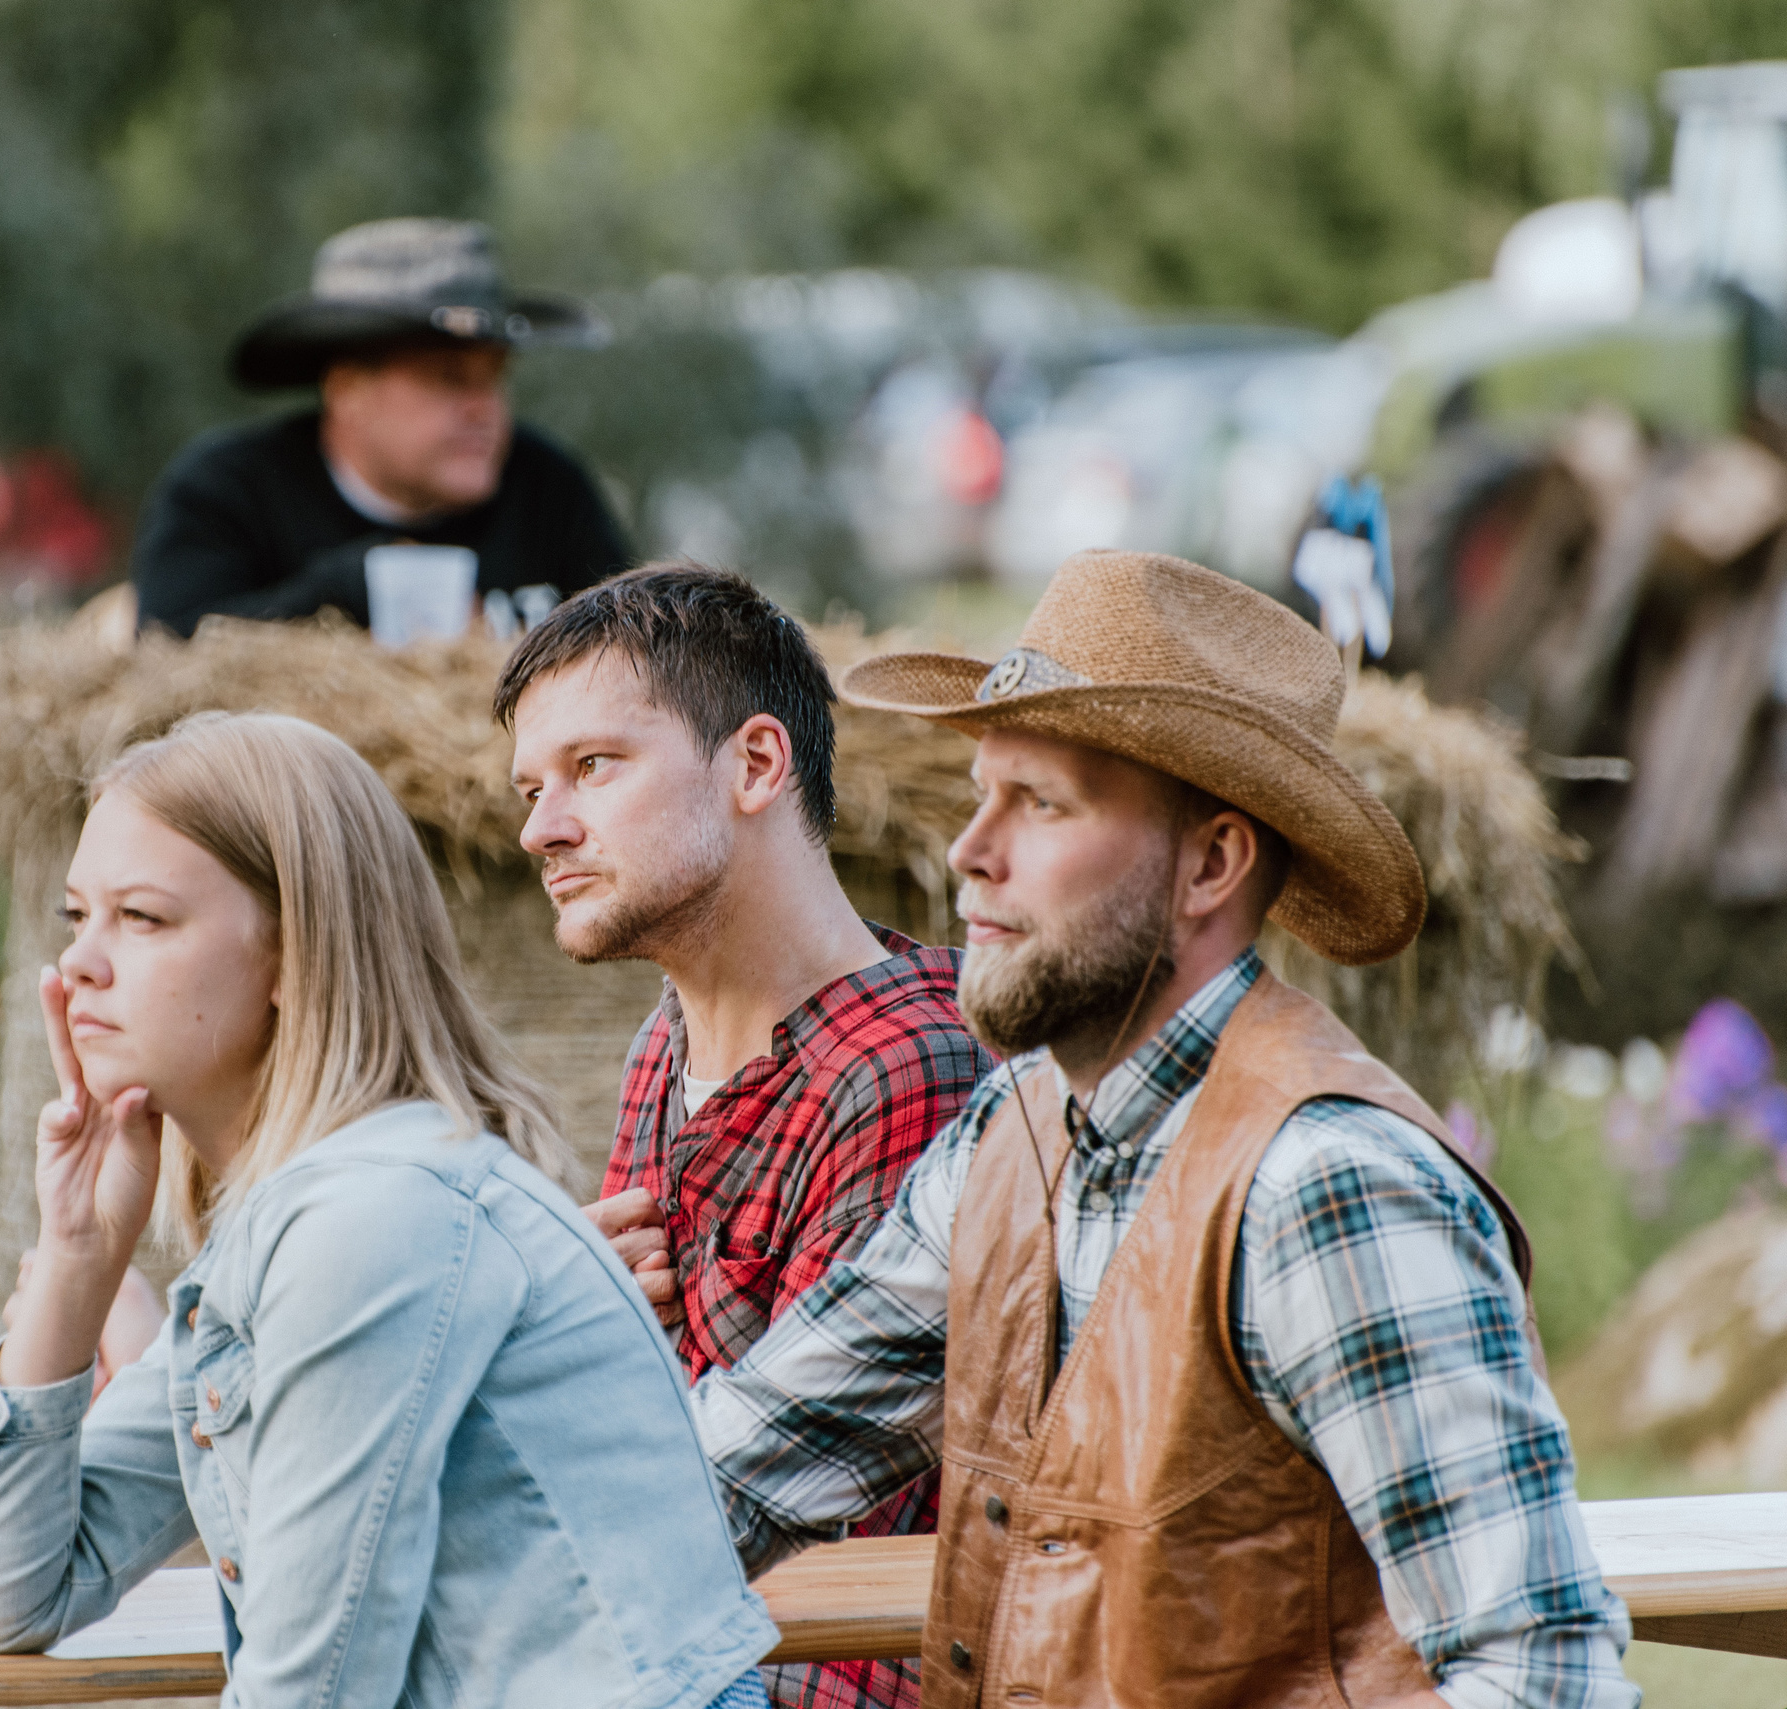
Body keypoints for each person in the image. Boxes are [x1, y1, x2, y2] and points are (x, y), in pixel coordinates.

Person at [691, 550, 1639, 1706]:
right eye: (981, 791)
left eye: (1039, 801)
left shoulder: (1323, 1183)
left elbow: (1543, 1673)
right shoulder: (1015, 1131)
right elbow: (729, 1470)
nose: (968, 849)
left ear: (1210, 860)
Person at [0, 712, 777, 1709]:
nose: (77, 963)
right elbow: (1, 1596)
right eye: (77, 915)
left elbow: (311, 1689)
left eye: (144, 917)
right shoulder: (285, 1222)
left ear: (296, 956)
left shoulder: (373, 1217)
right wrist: (78, 1258)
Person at [493, 563, 990, 1709]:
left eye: (592, 766)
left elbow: (810, 1527)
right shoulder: (663, 1047)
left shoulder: (906, 1066)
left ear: (756, 764)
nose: (541, 827)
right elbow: (624, 1436)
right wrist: (587, 1329)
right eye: (529, 789)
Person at [132, 218, 631, 638]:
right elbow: (167, 660)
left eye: (495, 377)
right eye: (449, 379)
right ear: (347, 390)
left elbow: (639, 660)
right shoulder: (228, 492)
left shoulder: (549, 491)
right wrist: (347, 591)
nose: (486, 409)